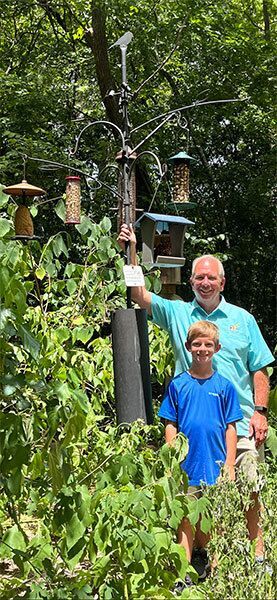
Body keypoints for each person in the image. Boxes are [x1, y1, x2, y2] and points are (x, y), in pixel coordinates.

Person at [118, 223, 274, 565]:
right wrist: (130, 252)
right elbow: (137, 294)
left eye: (211, 278)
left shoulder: (242, 319)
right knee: (193, 494)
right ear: (191, 282)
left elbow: (260, 368)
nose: (205, 282)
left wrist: (261, 410)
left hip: (240, 423)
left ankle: (256, 553)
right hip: (193, 426)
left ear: (222, 283)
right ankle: (205, 555)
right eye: (199, 277)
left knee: (248, 488)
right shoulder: (177, 312)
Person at [158, 320, 243, 589]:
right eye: (197, 344)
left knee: (215, 521)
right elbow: (170, 423)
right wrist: (171, 458)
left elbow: (231, 427)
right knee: (185, 518)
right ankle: (183, 573)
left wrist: (229, 464)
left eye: (208, 344)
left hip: (215, 464)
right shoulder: (178, 385)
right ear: (188, 347)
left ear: (216, 348)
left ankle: (216, 572)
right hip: (187, 464)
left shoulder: (225, 386)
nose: (202, 349)